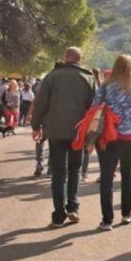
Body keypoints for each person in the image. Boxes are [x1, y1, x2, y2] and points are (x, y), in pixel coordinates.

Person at [31, 48, 97, 227]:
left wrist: (36, 126)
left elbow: (41, 103)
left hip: (55, 131)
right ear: (80, 60)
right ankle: (73, 207)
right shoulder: (89, 78)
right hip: (78, 132)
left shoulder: (52, 76)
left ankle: (59, 215)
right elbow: (94, 109)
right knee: (75, 169)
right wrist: (92, 136)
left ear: (65, 58)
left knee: (58, 172)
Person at [95, 54, 131, 231]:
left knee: (106, 176)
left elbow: (94, 109)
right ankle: (126, 214)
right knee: (127, 174)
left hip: (108, 136)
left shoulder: (105, 87)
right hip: (128, 136)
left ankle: (107, 220)